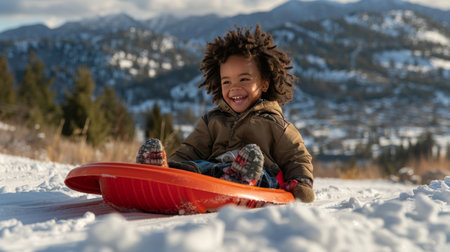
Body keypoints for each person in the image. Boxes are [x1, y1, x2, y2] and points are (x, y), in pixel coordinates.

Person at [136, 25, 314, 202]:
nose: (234, 88)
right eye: (226, 82)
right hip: (214, 176)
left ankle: (241, 178)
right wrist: (175, 167)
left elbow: (296, 157)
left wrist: (302, 184)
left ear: (264, 84)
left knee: (261, 173)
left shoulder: (275, 124)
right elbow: (191, 150)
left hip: (257, 182)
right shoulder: (212, 120)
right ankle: (159, 173)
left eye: (244, 79)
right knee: (198, 167)